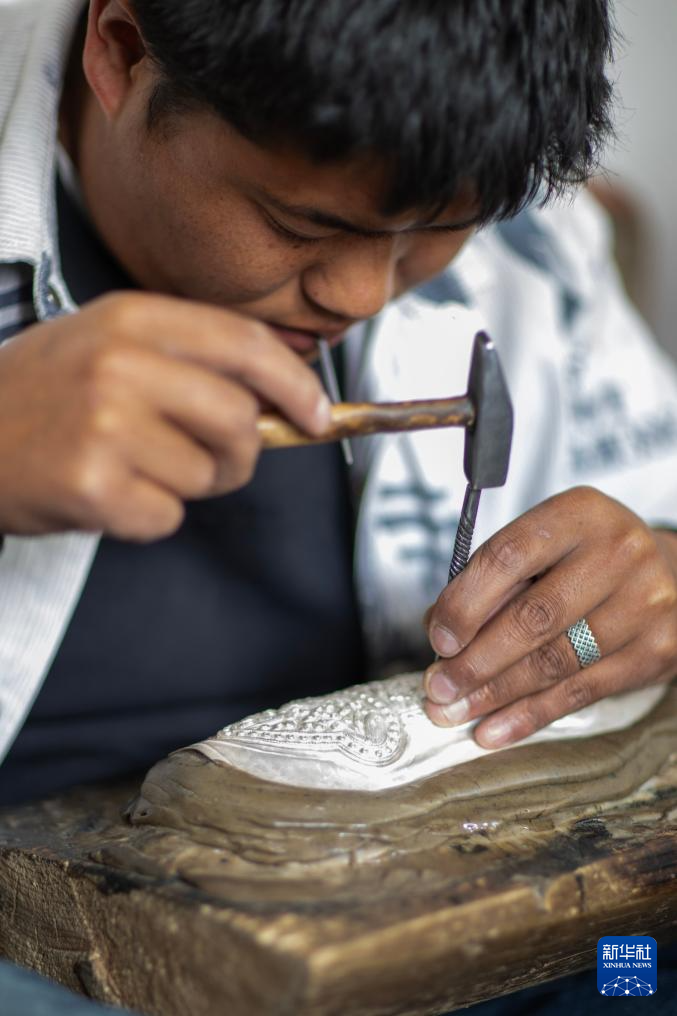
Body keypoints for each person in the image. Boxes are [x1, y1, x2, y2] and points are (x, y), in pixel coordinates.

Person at [1, 0, 677, 1010]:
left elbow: (659, 513)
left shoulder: (521, 223)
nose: (362, 294)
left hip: (412, 896)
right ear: (123, 50)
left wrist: (654, 574)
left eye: (434, 232)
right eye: (300, 224)